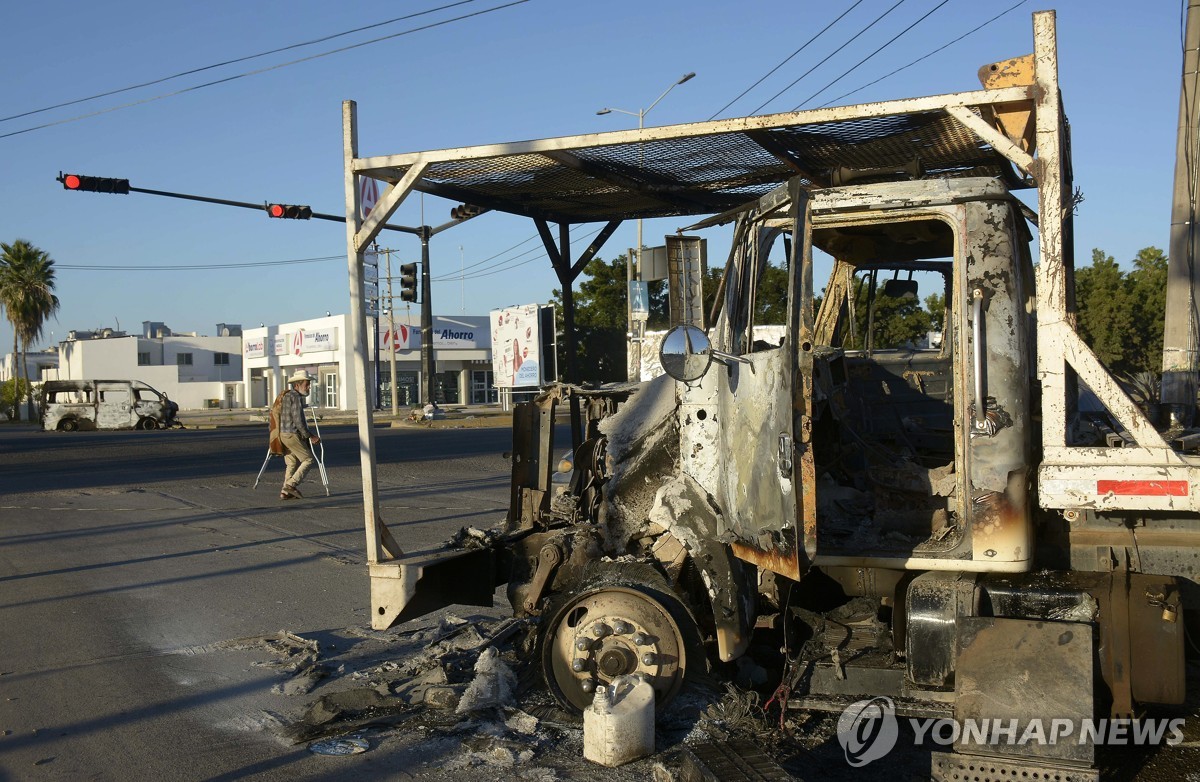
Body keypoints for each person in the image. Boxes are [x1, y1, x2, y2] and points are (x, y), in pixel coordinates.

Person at [279, 369, 320, 500]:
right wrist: (310, 436)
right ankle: (290, 485)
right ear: (297, 385)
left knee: (291, 463)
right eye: (306, 384)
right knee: (308, 460)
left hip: (283, 433)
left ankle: (285, 493)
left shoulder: (286, 396)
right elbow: (298, 421)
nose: (309, 387)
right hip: (292, 434)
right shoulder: (295, 397)